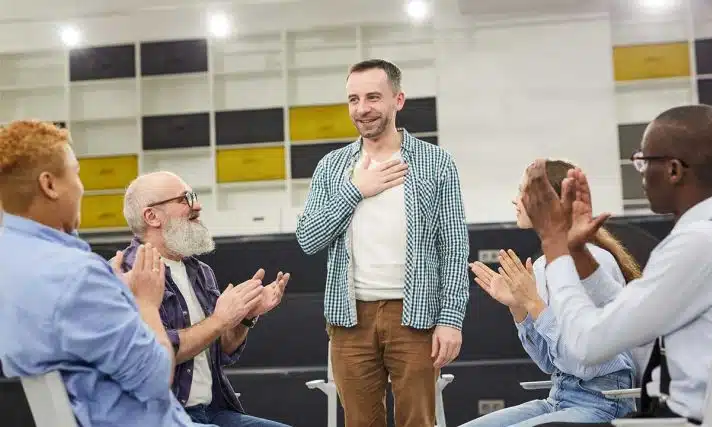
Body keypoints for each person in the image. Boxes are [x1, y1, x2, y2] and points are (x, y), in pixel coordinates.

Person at [501, 104, 712, 425]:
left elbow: (587, 345)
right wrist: (577, 252)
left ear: (673, 170)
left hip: (683, 418)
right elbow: (634, 323)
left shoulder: (696, 245)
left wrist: (555, 244)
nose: (639, 173)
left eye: (643, 161)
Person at [295, 59, 470, 427]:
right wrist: (355, 191)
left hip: (415, 315)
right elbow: (309, 239)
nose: (362, 108)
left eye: (373, 97)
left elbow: (454, 247)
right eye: (354, 99)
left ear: (398, 100)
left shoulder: (436, 163)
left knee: (418, 422)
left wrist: (451, 320)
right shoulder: (332, 167)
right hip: (349, 318)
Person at [0, 120, 203, 426]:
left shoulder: (15, 261)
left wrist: (109, 293)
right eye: (76, 173)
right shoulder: (77, 276)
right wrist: (144, 303)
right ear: (50, 185)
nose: (81, 187)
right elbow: (156, 378)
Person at [463, 160, 639, 427]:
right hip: (560, 396)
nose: (515, 200)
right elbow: (549, 362)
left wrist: (533, 303)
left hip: (604, 401)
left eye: (523, 192)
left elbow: (584, 362)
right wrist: (518, 307)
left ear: (550, 202)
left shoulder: (592, 264)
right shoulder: (544, 265)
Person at [117, 171, 292, 427]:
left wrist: (245, 316)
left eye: (194, 196)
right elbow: (157, 354)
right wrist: (220, 320)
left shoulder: (200, 272)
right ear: (151, 216)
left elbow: (220, 352)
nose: (196, 205)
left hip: (213, 411)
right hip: (164, 417)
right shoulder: (126, 274)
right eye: (184, 199)